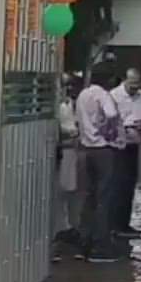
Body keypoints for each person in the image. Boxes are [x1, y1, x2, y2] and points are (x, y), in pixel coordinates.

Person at [74, 68, 124, 263]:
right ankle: (101, 246)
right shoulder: (103, 95)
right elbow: (111, 114)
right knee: (104, 198)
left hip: (86, 149)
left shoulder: (83, 95)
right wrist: (108, 130)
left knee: (89, 197)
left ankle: (83, 242)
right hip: (103, 149)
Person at [110, 67, 141, 237]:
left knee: (130, 184)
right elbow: (110, 119)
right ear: (125, 81)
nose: (135, 88)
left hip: (134, 143)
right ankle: (114, 224)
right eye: (132, 84)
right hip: (118, 145)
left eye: (137, 84)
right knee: (118, 184)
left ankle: (125, 223)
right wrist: (125, 126)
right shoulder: (114, 96)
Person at [53, 73, 82, 261]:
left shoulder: (70, 103)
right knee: (59, 193)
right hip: (60, 149)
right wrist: (69, 132)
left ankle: (67, 227)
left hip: (70, 149)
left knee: (69, 191)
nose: (67, 89)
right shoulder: (56, 105)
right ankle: (59, 230)